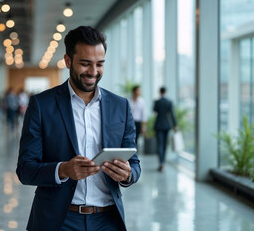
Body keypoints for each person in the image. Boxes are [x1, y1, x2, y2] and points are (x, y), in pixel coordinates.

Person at [16, 26, 141, 231]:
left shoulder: (121, 106)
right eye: (85, 64)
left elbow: (134, 164)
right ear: (68, 61)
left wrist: (127, 174)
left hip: (108, 221)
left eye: (100, 64)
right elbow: (25, 169)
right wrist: (63, 169)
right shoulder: (42, 105)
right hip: (59, 221)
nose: (93, 72)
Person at [153, 87, 177, 172]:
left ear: (160, 92)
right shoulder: (169, 102)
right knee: (165, 144)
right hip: (167, 125)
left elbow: (154, 110)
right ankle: (163, 161)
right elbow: (172, 114)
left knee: (160, 144)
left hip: (158, 125)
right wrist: (175, 125)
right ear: (165, 92)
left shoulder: (157, 102)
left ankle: (161, 162)